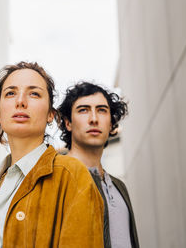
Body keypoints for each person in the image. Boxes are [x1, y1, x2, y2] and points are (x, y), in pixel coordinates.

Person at [0, 62, 104, 248]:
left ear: (50, 114)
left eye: (34, 93)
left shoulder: (71, 176)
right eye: (10, 93)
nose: (21, 101)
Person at [58, 82, 139, 248]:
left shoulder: (119, 186)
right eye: (83, 110)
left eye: (102, 110)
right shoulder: (56, 178)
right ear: (68, 123)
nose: (94, 119)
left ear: (111, 124)